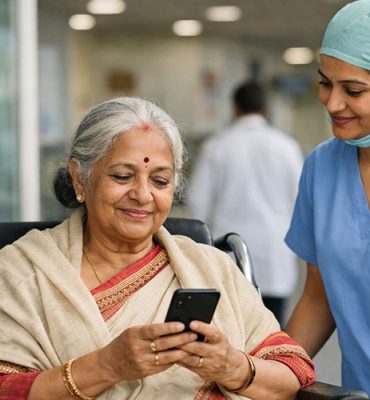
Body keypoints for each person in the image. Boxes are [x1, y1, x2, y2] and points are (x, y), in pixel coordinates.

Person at [0, 97, 314, 400]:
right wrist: (106, 366)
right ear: (79, 178)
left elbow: (293, 373)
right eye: (122, 176)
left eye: (160, 181)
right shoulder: (22, 272)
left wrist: (230, 366)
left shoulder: (211, 267)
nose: (143, 195)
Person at [285, 0, 370, 394]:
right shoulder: (323, 168)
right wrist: (266, 374)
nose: (332, 103)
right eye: (325, 83)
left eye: (353, 90)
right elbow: (318, 299)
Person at [187, 81, 303, 324]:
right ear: (265, 109)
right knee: (272, 329)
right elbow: (301, 203)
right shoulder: (287, 147)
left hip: (227, 252)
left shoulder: (216, 146)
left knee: (233, 327)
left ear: (234, 108)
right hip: (275, 252)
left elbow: (197, 203)